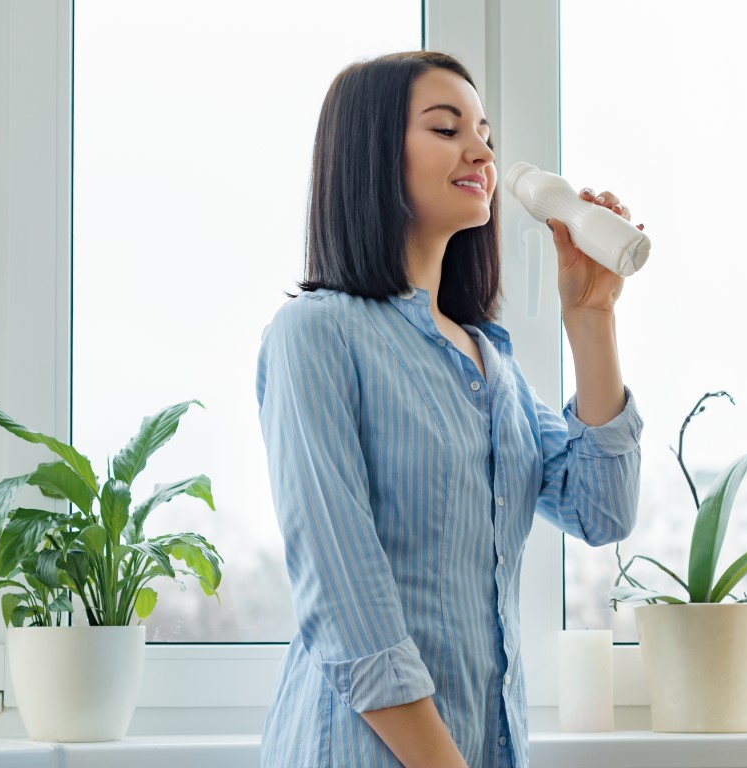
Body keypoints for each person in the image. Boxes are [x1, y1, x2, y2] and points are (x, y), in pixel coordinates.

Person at [255, 51, 644, 768]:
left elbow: (601, 510)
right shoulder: (317, 335)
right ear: (372, 155)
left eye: (486, 134)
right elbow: (348, 604)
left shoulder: (489, 364)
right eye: (446, 128)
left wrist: (592, 318)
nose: (481, 151)